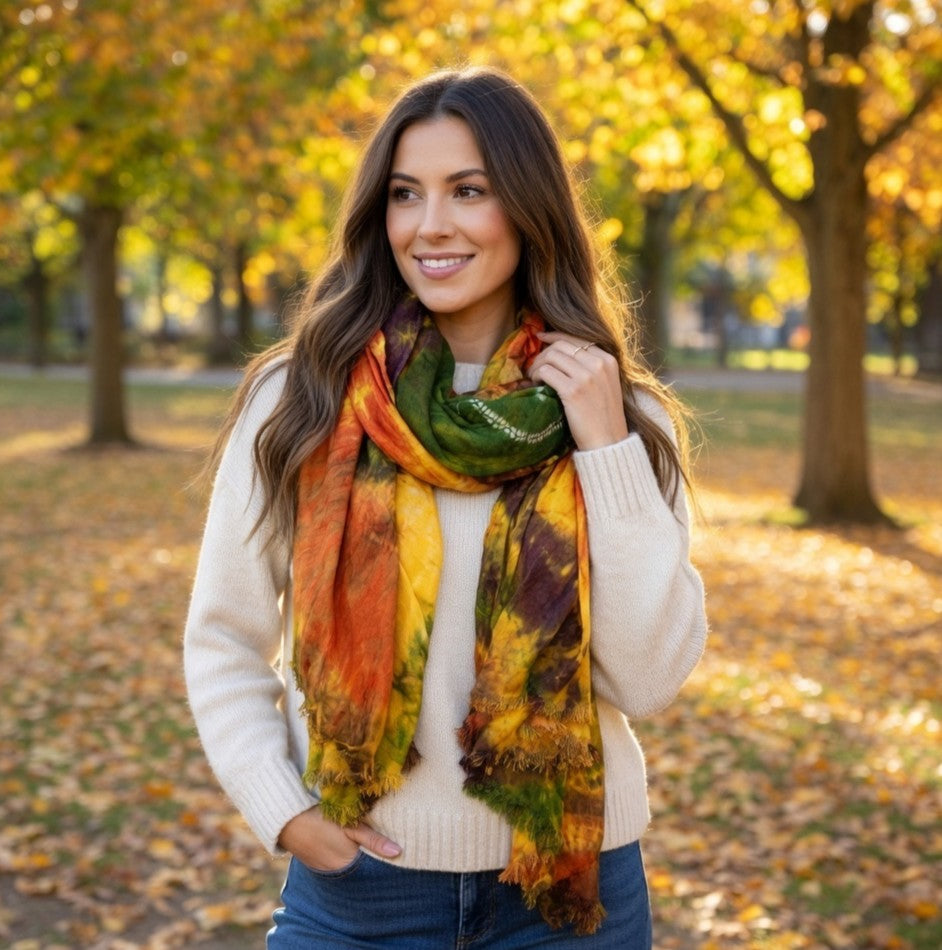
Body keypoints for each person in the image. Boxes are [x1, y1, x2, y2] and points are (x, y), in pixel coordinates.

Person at [184, 66, 707, 949]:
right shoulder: (304, 397)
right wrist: (283, 811)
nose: (429, 225)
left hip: (569, 898)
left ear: (529, 208)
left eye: (469, 190)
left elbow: (649, 681)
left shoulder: (620, 417)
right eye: (405, 194)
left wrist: (606, 450)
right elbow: (224, 636)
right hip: (360, 897)